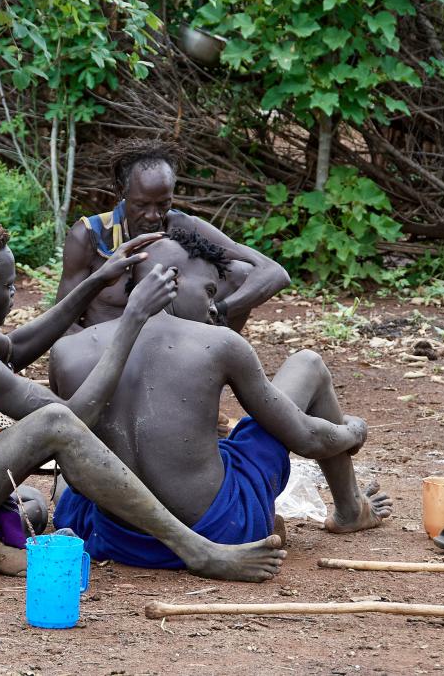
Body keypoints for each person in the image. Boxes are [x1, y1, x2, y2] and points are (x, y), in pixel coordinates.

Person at [0, 224, 285, 581]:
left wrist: (92, 285)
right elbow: (73, 420)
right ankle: (197, 549)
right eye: (9, 288)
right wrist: (131, 322)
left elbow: (14, 350)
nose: (14, 295)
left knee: (29, 504)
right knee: (52, 423)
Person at [49, 230, 391, 570]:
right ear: (171, 280)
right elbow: (308, 438)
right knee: (307, 365)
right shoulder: (219, 343)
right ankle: (350, 508)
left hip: (119, 541)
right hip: (223, 530)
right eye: (209, 291)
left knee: (77, 456)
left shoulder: (66, 351)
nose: (214, 308)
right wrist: (353, 432)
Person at [57, 139, 290, 332]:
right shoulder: (90, 236)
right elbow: (62, 323)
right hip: (104, 358)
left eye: (163, 204)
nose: (152, 215)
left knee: (238, 272)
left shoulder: (180, 225)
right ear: (121, 190)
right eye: (141, 204)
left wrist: (222, 309)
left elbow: (274, 273)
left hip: (170, 356)